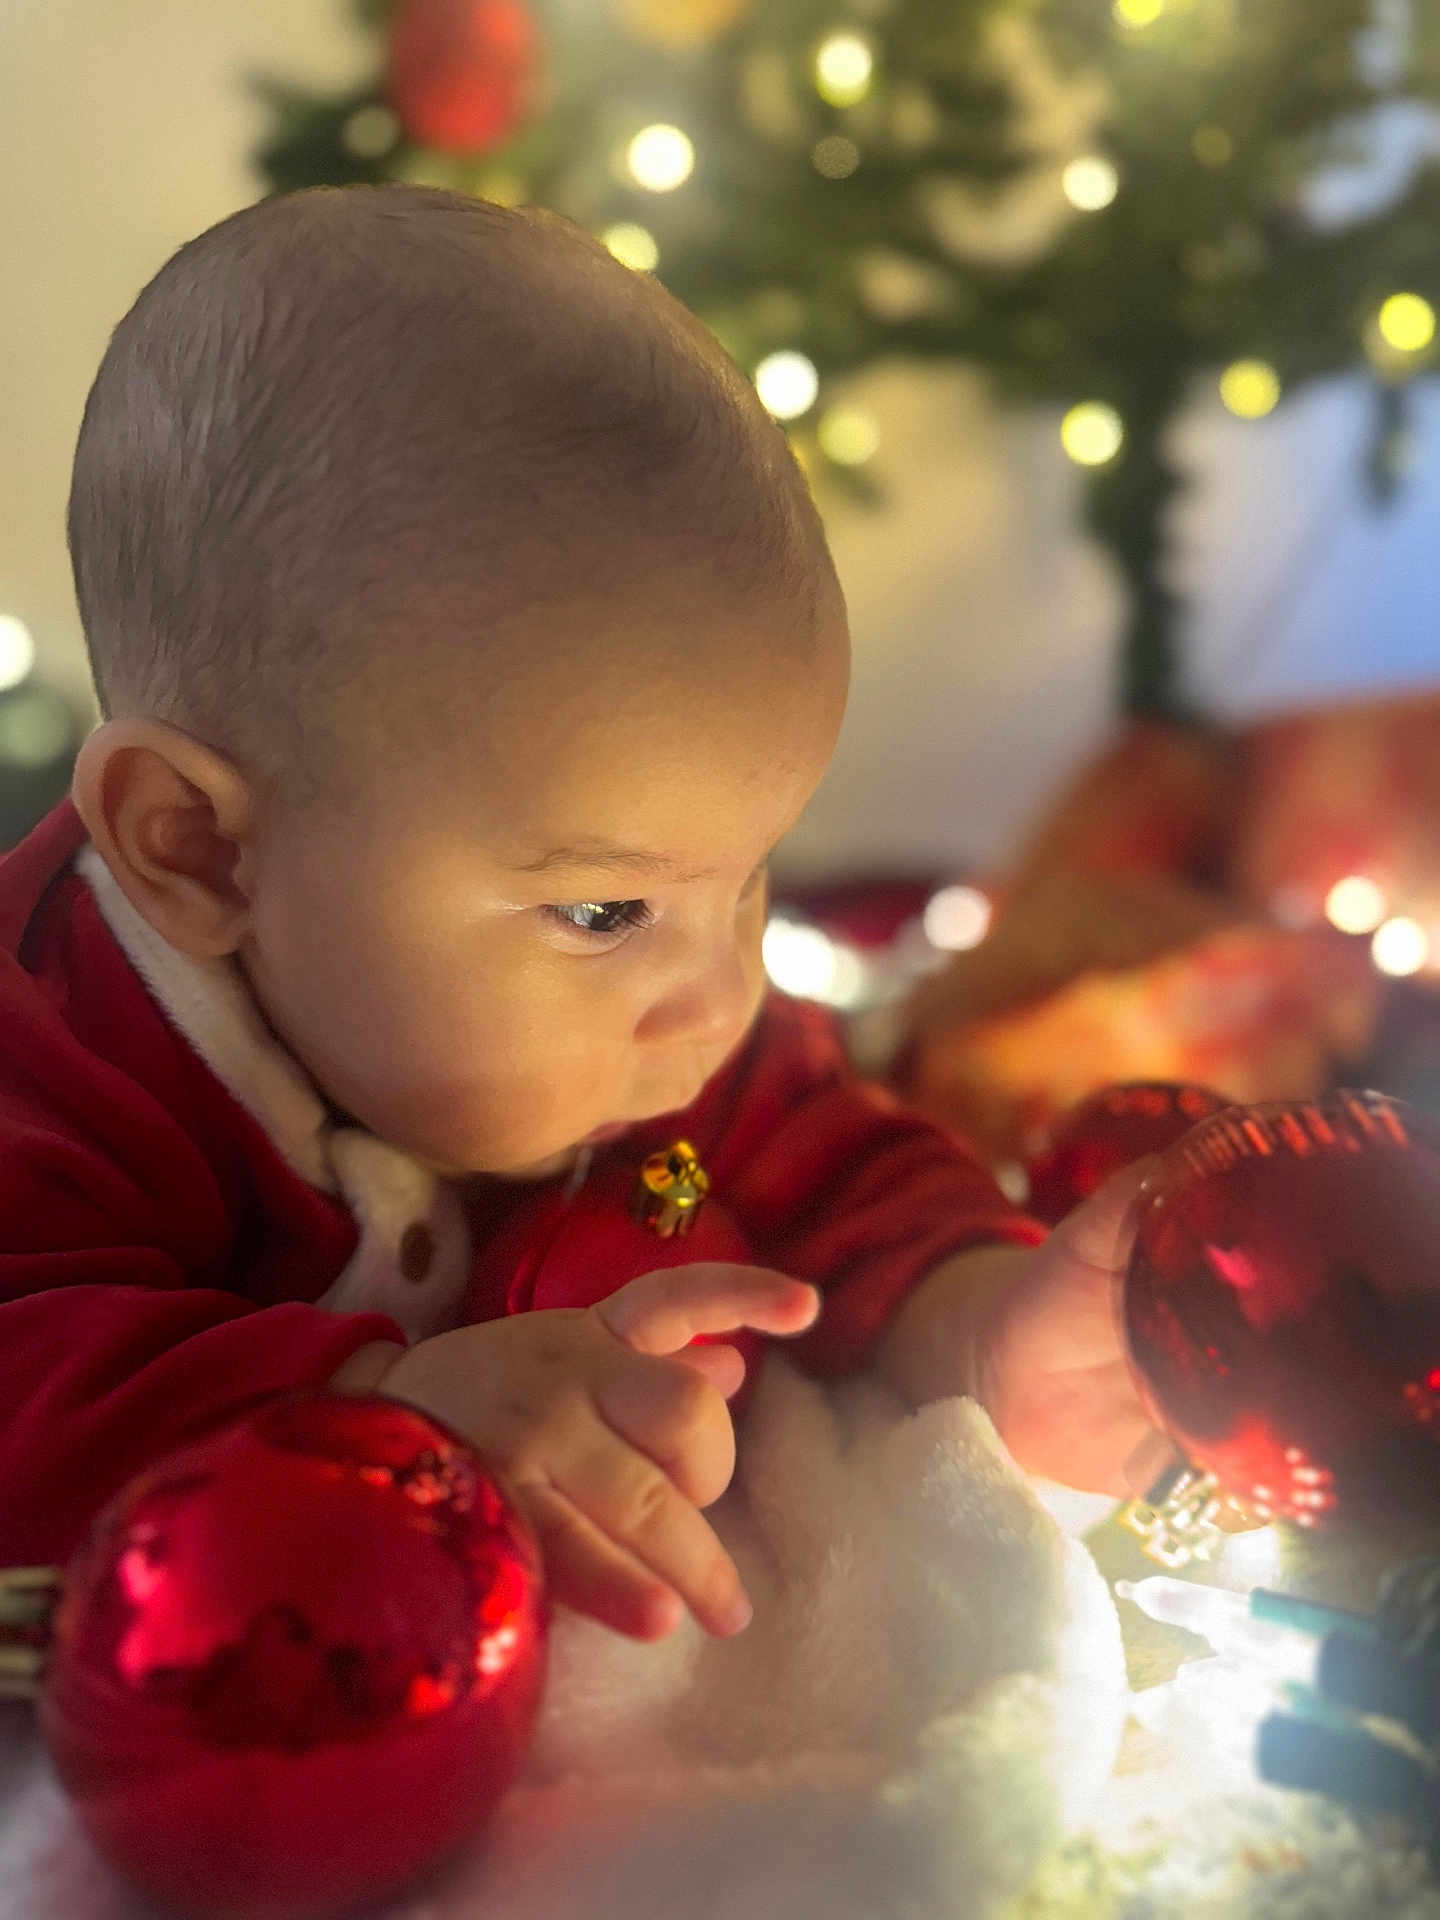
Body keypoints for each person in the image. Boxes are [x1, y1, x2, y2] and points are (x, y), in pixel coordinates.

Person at [0, 185, 1156, 1643]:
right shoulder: (52, 1059)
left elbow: (848, 1172)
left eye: (747, 881)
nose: (718, 998)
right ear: (203, 857)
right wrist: (371, 1405)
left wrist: (991, 1325)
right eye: (606, 910)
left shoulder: (667, 1027)